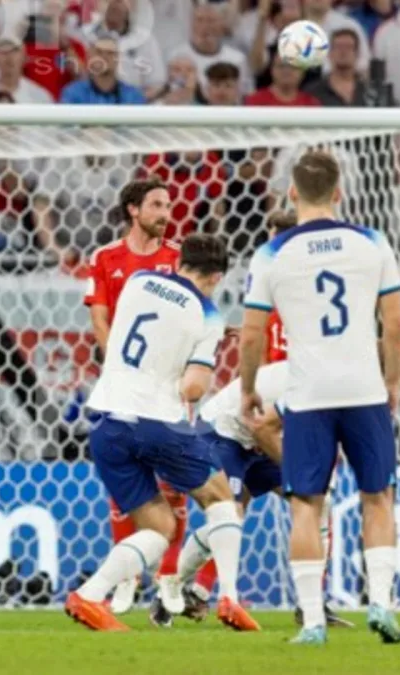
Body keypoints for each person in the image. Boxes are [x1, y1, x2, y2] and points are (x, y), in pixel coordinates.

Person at [238, 150, 400, 645]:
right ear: (339, 193)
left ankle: (312, 622)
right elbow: (395, 325)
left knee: (306, 505)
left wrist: (249, 389)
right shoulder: (373, 242)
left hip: (307, 393)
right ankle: (380, 602)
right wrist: (392, 381)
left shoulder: (273, 253)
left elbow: (251, 335)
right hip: (363, 389)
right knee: (378, 497)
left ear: (292, 195)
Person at [66, 233, 258, 633]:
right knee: (221, 494)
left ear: (179, 261)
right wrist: (204, 348)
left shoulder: (138, 283)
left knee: (159, 527)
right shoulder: (208, 314)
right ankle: (229, 597)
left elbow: (153, 326)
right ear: (218, 276)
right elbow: (192, 388)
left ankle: (88, 595)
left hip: (105, 419)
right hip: (155, 420)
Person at [82, 179, 207, 622]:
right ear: (133, 209)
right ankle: (125, 578)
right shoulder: (106, 258)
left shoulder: (178, 259)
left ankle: (169, 581)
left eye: (168, 204)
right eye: (156, 204)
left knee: (176, 486)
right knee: (126, 488)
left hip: (169, 389)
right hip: (123, 386)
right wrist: (119, 364)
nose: (165, 212)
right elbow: (99, 318)